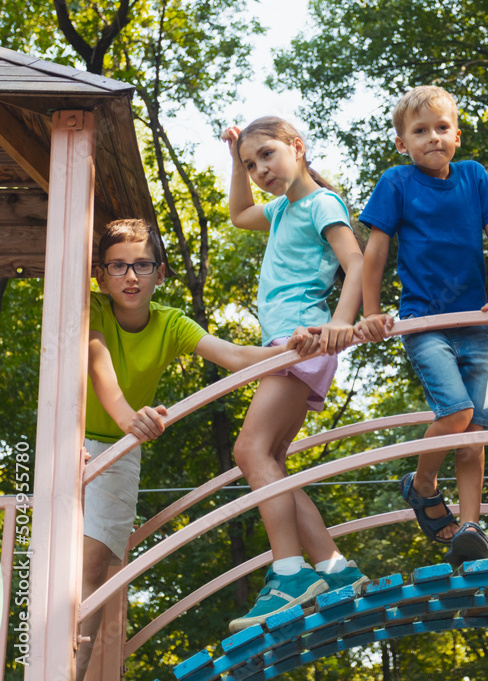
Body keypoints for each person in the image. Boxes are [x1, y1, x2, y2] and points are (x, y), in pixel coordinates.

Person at [81, 219, 314, 675]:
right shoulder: (90, 310)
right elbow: (100, 369)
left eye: (142, 265)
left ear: (161, 274)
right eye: (118, 266)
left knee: (92, 574)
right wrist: (133, 418)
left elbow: (235, 357)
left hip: (120, 452)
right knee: (52, 568)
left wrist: (293, 349)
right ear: (99, 275)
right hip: (69, 444)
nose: (131, 276)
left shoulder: (170, 322)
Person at [355, 86, 488, 566]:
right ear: (401, 143)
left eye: (441, 128)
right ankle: (423, 483)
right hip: (423, 321)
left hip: (475, 322)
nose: (433, 138)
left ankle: (470, 525)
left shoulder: (473, 177)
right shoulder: (397, 183)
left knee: (474, 432)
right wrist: (372, 312)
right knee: (455, 412)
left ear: (456, 134)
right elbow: (376, 251)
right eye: (419, 131)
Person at [222, 116, 368, 633]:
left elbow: (357, 262)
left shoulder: (321, 204)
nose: (260, 170)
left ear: (297, 148)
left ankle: (287, 573)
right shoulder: (283, 209)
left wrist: (341, 326)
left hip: (299, 342)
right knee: (273, 462)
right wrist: (233, 153)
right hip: (288, 344)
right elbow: (239, 213)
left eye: (267, 156)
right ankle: (332, 568)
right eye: (251, 164)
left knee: (248, 452)